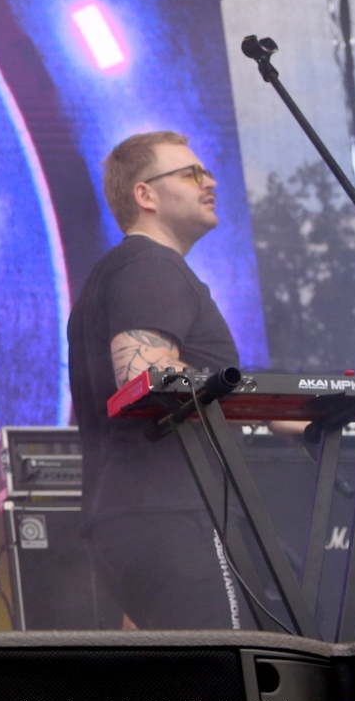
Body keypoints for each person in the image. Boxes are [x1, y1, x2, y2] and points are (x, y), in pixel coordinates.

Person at [67, 130, 249, 630]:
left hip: (136, 517)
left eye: (206, 172)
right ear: (145, 194)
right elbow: (144, 375)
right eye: (190, 174)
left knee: (180, 670)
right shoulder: (150, 265)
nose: (209, 182)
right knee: (228, 670)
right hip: (175, 511)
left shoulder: (121, 272)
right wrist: (253, 396)